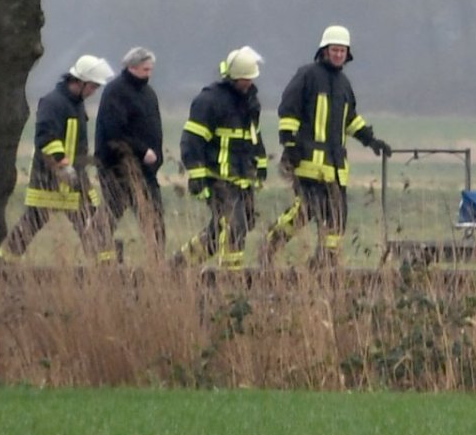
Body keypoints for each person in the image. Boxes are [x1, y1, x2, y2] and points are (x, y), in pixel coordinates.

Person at [262, 25, 392, 268]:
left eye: (342, 51)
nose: (338, 54)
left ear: (347, 54)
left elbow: (350, 119)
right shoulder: (307, 76)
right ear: (324, 51)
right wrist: (290, 145)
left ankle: (325, 262)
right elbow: (288, 110)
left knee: (338, 216)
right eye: (335, 50)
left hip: (335, 167)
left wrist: (371, 140)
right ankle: (270, 244)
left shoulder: (343, 84)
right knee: (307, 210)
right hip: (308, 163)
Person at [1, 55, 115, 261]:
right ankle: (2, 267)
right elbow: (45, 137)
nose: (93, 92)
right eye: (93, 87)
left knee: (94, 225)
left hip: (74, 182)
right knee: (29, 227)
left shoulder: (75, 104)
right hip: (49, 182)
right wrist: (62, 164)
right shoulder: (53, 103)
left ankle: (107, 271)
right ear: (79, 82)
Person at [171, 47, 268, 271]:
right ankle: (230, 280)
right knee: (234, 227)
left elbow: (255, 137)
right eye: (246, 79)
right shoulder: (209, 101)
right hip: (218, 179)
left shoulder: (251, 102)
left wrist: (260, 167)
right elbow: (191, 141)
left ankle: (178, 266)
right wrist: (198, 177)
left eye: (252, 79)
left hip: (243, 179)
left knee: (230, 227)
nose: (249, 83)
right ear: (235, 78)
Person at [92, 47, 165, 263]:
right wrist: (142, 151)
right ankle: (100, 255)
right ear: (131, 67)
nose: (149, 74)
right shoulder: (116, 92)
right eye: (145, 69)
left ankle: (157, 263)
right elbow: (115, 131)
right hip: (117, 166)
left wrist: (156, 158)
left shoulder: (148, 93)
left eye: (151, 69)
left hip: (146, 169)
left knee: (154, 217)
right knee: (112, 211)